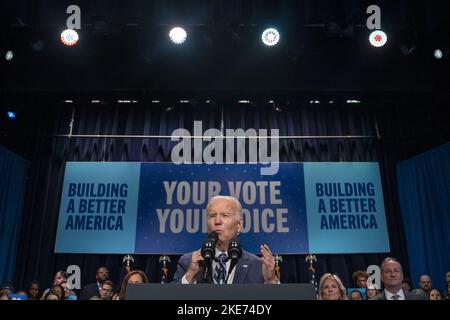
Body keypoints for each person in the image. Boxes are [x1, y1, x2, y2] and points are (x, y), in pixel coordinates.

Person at [172, 195, 279, 284]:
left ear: (239, 224)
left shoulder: (257, 265)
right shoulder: (187, 262)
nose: (217, 221)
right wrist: (190, 275)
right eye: (212, 215)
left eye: (225, 215)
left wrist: (271, 281)